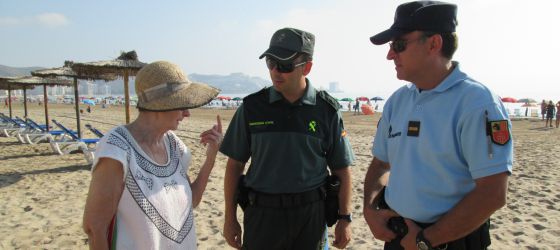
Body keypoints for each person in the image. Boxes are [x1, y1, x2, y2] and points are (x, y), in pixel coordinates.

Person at [363, 2, 513, 250]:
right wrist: (370, 210)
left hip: (447, 242)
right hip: (399, 237)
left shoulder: (477, 103)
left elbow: (493, 193)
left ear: (433, 44)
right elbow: (381, 163)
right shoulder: (398, 101)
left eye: (399, 45)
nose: (390, 55)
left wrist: (426, 240)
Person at [220, 27, 355, 250]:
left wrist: (345, 219)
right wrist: (229, 218)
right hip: (262, 216)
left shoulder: (327, 110)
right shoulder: (252, 108)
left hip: (311, 217)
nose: (275, 71)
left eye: (284, 65)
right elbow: (234, 165)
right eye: (270, 63)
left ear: (307, 67)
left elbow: (342, 169)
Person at [83, 61, 222, 249]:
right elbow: (95, 227)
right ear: (160, 106)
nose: (187, 113)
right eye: (182, 105)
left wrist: (210, 159)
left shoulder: (174, 145)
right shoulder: (117, 149)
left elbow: (192, 200)